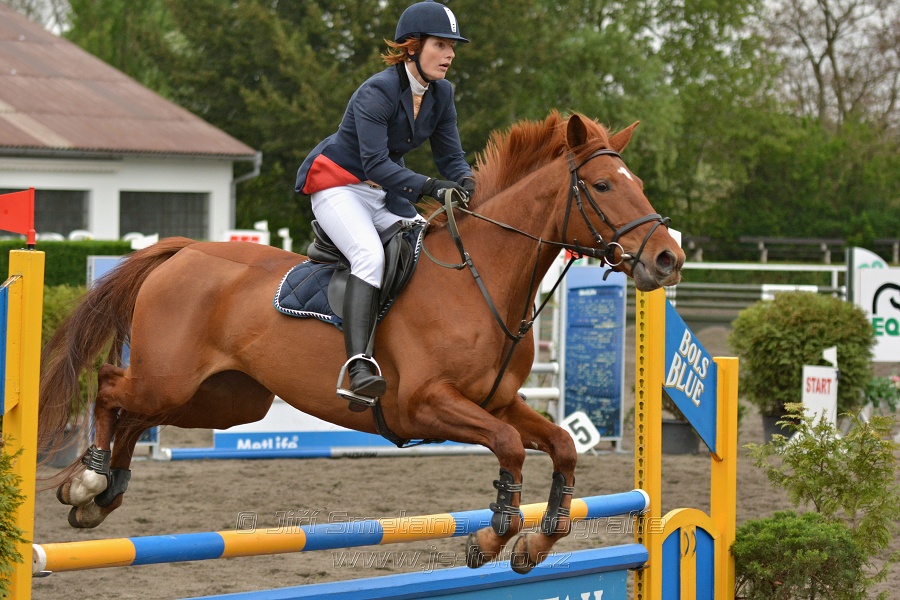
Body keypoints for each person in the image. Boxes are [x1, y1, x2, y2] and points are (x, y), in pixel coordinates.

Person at [295, 0, 475, 407]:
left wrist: (467, 183)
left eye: (452, 46)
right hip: (339, 186)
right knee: (369, 256)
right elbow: (375, 161)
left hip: (383, 191)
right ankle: (358, 366)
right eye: (441, 44)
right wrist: (432, 186)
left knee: (423, 249)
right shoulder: (376, 91)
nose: (449, 54)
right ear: (412, 47)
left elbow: (450, 156)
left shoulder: (441, 94)